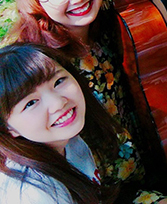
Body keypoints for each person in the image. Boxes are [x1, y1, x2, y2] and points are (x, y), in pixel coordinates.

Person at [9, 0, 167, 203]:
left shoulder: (109, 20)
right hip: (101, 191)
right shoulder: (38, 63)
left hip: (148, 157)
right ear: (37, 4)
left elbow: (160, 41)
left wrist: (147, 1)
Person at [0, 43, 121, 204]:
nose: (58, 103)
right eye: (30, 103)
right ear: (8, 128)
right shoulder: (33, 195)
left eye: (59, 82)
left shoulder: (68, 141)